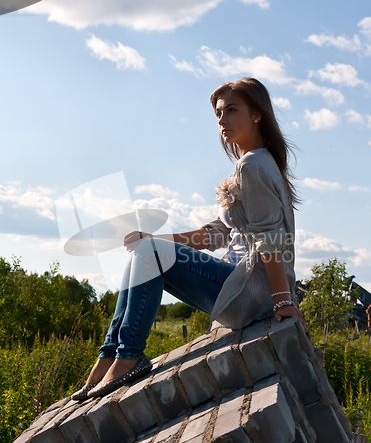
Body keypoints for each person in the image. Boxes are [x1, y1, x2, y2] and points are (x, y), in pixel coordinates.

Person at [72, 77, 305, 401]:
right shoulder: (254, 163)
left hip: (250, 292)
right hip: (242, 282)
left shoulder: (253, 165)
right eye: (219, 113)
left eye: (232, 110)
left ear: (257, 114)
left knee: (151, 254)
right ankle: (110, 355)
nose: (222, 120)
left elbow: (270, 240)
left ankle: (127, 357)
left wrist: (283, 301)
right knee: (147, 251)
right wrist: (156, 239)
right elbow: (217, 234)